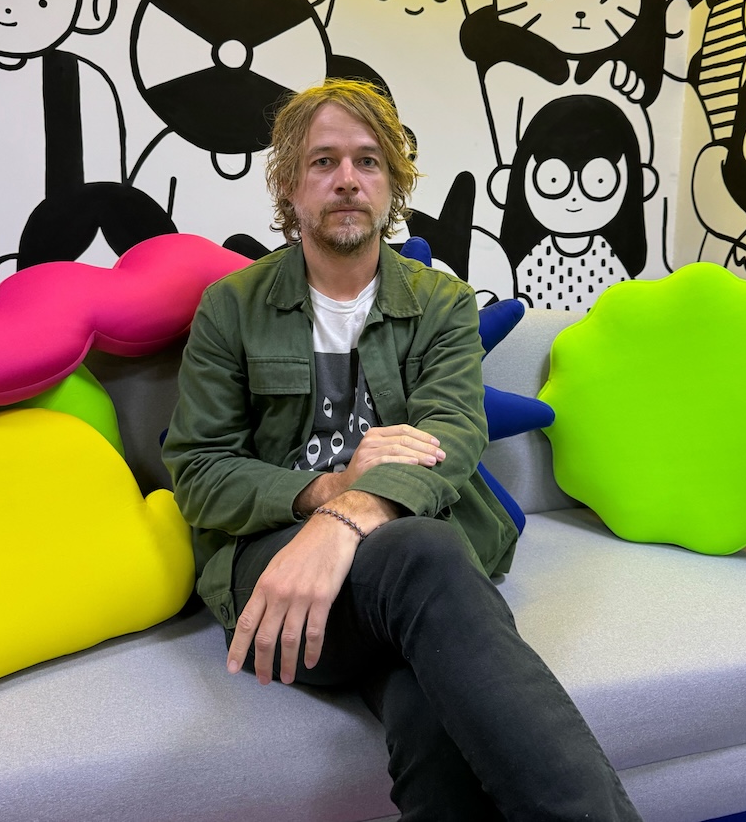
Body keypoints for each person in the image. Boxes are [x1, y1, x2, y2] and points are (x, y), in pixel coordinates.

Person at [162, 79, 643, 821]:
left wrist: (351, 512)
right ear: (289, 186)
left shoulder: (442, 303)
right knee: (424, 553)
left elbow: (452, 434)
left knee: (428, 708)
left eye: (368, 161)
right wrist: (327, 492)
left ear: (393, 186)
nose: (348, 179)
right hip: (282, 571)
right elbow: (199, 469)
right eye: (323, 161)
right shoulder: (232, 308)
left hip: (408, 563)